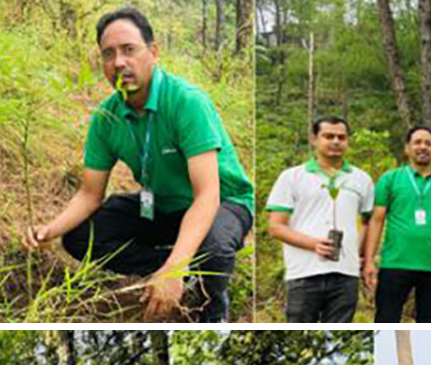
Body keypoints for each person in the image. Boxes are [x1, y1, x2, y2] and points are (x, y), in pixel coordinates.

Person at [23, 8, 255, 322]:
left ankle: (212, 310)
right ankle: (178, 271)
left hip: (222, 203)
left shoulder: (186, 102)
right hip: (160, 206)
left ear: (153, 52)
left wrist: (176, 265)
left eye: (129, 50)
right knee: (79, 237)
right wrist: (49, 229)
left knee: (213, 248)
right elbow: (90, 195)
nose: (119, 62)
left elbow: (207, 197)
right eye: (109, 54)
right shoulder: (106, 117)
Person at [266, 116, 374, 323]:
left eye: (341, 137)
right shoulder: (292, 177)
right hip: (304, 272)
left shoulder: (362, 179)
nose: (336, 141)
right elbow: (276, 227)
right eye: (328, 136)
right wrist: (313, 244)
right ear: (314, 139)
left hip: (346, 273)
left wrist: (361, 255)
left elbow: (369, 222)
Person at [364, 126, 431, 323]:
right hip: (395, 262)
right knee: (385, 320)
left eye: (428, 143)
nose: (423, 147)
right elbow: (377, 220)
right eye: (417, 142)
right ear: (407, 148)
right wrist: (369, 261)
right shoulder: (390, 179)